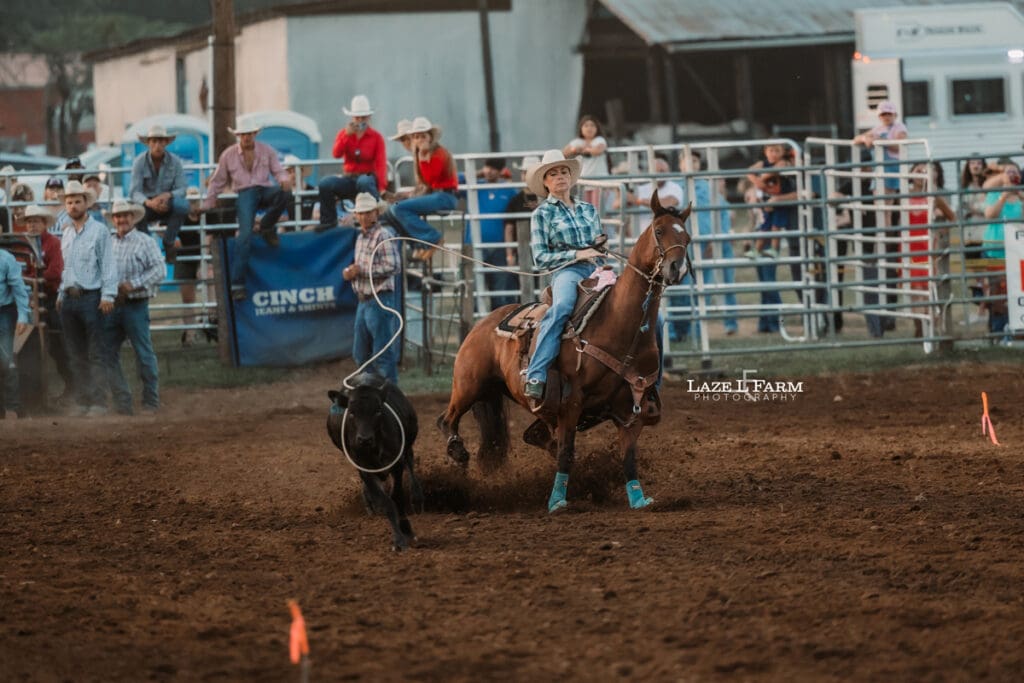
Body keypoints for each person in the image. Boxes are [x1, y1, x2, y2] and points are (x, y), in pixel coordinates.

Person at [522, 150, 606, 402]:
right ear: (545, 182)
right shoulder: (542, 214)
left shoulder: (589, 209)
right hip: (567, 272)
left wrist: (598, 246)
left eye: (564, 172)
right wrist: (577, 254)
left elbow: (597, 246)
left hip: (597, 269)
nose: (560, 177)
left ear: (571, 177)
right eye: (553, 173)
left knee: (636, 304)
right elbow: (540, 258)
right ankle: (536, 374)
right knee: (561, 307)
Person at [201, 114, 294, 301]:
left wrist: (284, 180)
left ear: (254, 134)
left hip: (262, 189)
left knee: (285, 193)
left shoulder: (267, 151)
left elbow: (278, 170)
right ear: (238, 136)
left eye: (249, 134)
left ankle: (267, 225)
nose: (247, 137)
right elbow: (217, 180)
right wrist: (208, 202)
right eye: (243, 134)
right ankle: (237, 283)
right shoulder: (228, 155)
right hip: (245, 193)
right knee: (244, 236)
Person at [57, 180, 118, 417]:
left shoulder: (99, 231)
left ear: (86, 204)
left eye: (77, 201)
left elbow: (108, 265)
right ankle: (83, 401)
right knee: (75, 353)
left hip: (91, 297)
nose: (72, 205)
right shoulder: (66, 232)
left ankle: (99, 402)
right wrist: (61, 292)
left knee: (95, 352)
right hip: (69, 299)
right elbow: (66, 267)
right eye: (69, 202)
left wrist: (108, 295)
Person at [103, 200, 165, 415]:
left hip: (135, 304)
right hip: (112, 304)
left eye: (126, 215)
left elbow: (160, 270)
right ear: (113, 219)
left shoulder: (144, 241)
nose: (122, 220)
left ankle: (151, 399)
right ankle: (123, 401)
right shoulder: (107, 243)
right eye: (118, 216)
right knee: (106, 352)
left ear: (133, 217)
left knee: (143, 352)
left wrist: (134, 283)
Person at [672, 150, 739, 339]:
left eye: (695, 161)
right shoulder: (676, 187)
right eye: (688, 160)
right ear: (680, 164)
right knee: (682, 288)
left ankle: (699, 330)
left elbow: (722, 212)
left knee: (706, 287)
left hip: (706, 242)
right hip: (683, 244)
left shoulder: (709, 188)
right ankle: (679, 330)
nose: (692, 164)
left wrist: (716, 237)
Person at [15, 204, 72, 410]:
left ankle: (71, 387)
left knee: (59, 344)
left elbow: (56, 272)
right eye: (29, 221)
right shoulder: (22, 244)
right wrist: (33, 278)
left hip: (51, 297)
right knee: (31, 346)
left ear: (44, 223)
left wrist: (31, 278)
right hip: (29, 298)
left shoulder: (53, 243)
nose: (32, 225)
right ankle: (35, 395)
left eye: (36, 221)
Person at [342, 193, 401, 385]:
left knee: (381, 353)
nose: (363, 217)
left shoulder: (383, 235)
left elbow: (393, 266)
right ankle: (371, 390)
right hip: (365, 299)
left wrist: (360, 271)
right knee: (360, 354)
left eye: (367, 213)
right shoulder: (361, 237)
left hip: (379, 298)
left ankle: (390, 395)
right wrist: (350, 271)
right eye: (360, 213)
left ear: (376, 213)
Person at [386, 117, 458, 261]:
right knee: (390, 212)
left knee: (398, 208)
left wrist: (422, 156)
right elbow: (427, 183)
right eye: (416, 137)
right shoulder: (425, 154)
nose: (419, 140)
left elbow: (431, 178)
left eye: (422, 136)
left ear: (430, 137)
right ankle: (419, 245)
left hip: (444, 197)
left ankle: (432, 238)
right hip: (437, 196)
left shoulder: (438, 153)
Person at [316, 95, 388, 231]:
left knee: (364, 181)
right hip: (349, 178)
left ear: (368, 117)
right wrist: (345, 136)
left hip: (367, 177)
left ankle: (376, 218)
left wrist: (382, 186)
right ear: (352, 118)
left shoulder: (376, 137)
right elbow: (336, 154)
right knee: (325, 184)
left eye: (363, 117)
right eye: (357, 117)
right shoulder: (343, 134)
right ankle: (328, 223)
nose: (360, 120)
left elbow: (381, 164)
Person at [905, 162, 956, 338]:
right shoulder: (903, 195)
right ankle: (920, 325)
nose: (921, 172)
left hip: (927, 247)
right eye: (917, 169)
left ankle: (927, 325)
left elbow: (952, 216)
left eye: (925, 170)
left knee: (926, 288)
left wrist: (941, 229)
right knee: (914, 290)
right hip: (908, 247)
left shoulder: (933, 196)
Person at [130, 125, 189, 263]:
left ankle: (169, 241)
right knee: (136, 211)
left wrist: (167, 195)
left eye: (160, 141)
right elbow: (134, 192)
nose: (157, 145)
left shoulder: (175, 161)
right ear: (149, 143)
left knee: (183, 206)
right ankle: (147, 248)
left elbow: (183, 188)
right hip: (147, 205)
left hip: (167, 202)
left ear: (166, 143)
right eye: (154, 141)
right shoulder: (139, 162)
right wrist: (150, 202)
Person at [469, 158, 519, 308]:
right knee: (475, 292)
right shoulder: (474, 186)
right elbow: (455, 180)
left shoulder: (510, 190)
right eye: (487, 167)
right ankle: (477, 327)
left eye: (494, 168)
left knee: (500, 293)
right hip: (475, 246)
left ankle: (498, 327)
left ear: (501, 171)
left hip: (500, 248)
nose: (489, 171)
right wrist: (475, 174)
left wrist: (511, 251)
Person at [980, 159, 1021, 337]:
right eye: (1009, 172)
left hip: (1016, 250)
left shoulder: (1020, 197)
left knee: (1015, 290)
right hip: (994, 248)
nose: (1013, 175)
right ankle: (998, 329)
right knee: (997, 291)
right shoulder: (994, 193)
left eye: (1015, 172)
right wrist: (1004, 196)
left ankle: (1014, 328)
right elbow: (990, 215)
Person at [0, 245, 31, 420]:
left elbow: (19, 288)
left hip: (3, 311)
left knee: (7, 359)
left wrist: (23, 316)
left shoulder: (5, 258)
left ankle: (12, 407)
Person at [853, 100, 909, 195]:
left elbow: (900, 147)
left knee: (887, 198)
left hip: (892, 166)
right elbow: (855, 140)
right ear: (879, 116)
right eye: (883, 114)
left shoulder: (900, 127)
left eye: (889, 114)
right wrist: (865, 138)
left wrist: (879, 140)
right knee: (877, 196)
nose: (886, 117)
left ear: (895, 115)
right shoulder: (878, 129)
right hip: (878, 166)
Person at [502, 155, 541, 269]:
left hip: (545, 250)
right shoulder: (515, 200)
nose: (527, 176)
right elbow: (509, 229)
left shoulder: (548, 197)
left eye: (531, 173)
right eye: (525, 173)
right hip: (522, 250)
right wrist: (509, 255)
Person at [563, 115, 609, 206]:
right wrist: (574, 150)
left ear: (597, 128)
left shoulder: (600, 140)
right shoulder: (577, 142)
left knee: (597, 211)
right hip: (583, 182)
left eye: (592, 125)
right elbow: (564, 153)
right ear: (581, 128)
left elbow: (598, 150)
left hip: (599, 182)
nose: (589, 128)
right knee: (584, 212)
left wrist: (584, 149)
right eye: (586, 125)